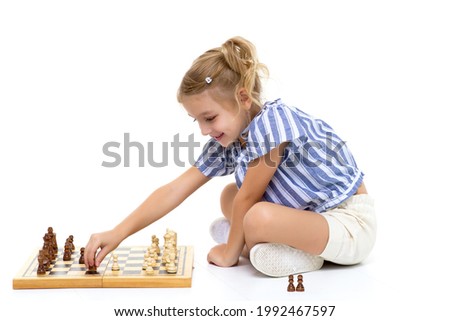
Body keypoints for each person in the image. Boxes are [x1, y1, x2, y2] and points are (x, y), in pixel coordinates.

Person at [84, 36, 376, 277]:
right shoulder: (234, 140)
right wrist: (118, 232)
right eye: (195, 120)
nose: (203, 130)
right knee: (229, 195)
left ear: (244, 98)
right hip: (311, 218)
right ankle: (264, 242)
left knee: (253, 213)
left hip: (349, 226)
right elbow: (175, 189)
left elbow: (250, 198)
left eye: (209, 118)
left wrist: (230, 254)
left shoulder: (273, 121)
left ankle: (285, 251)